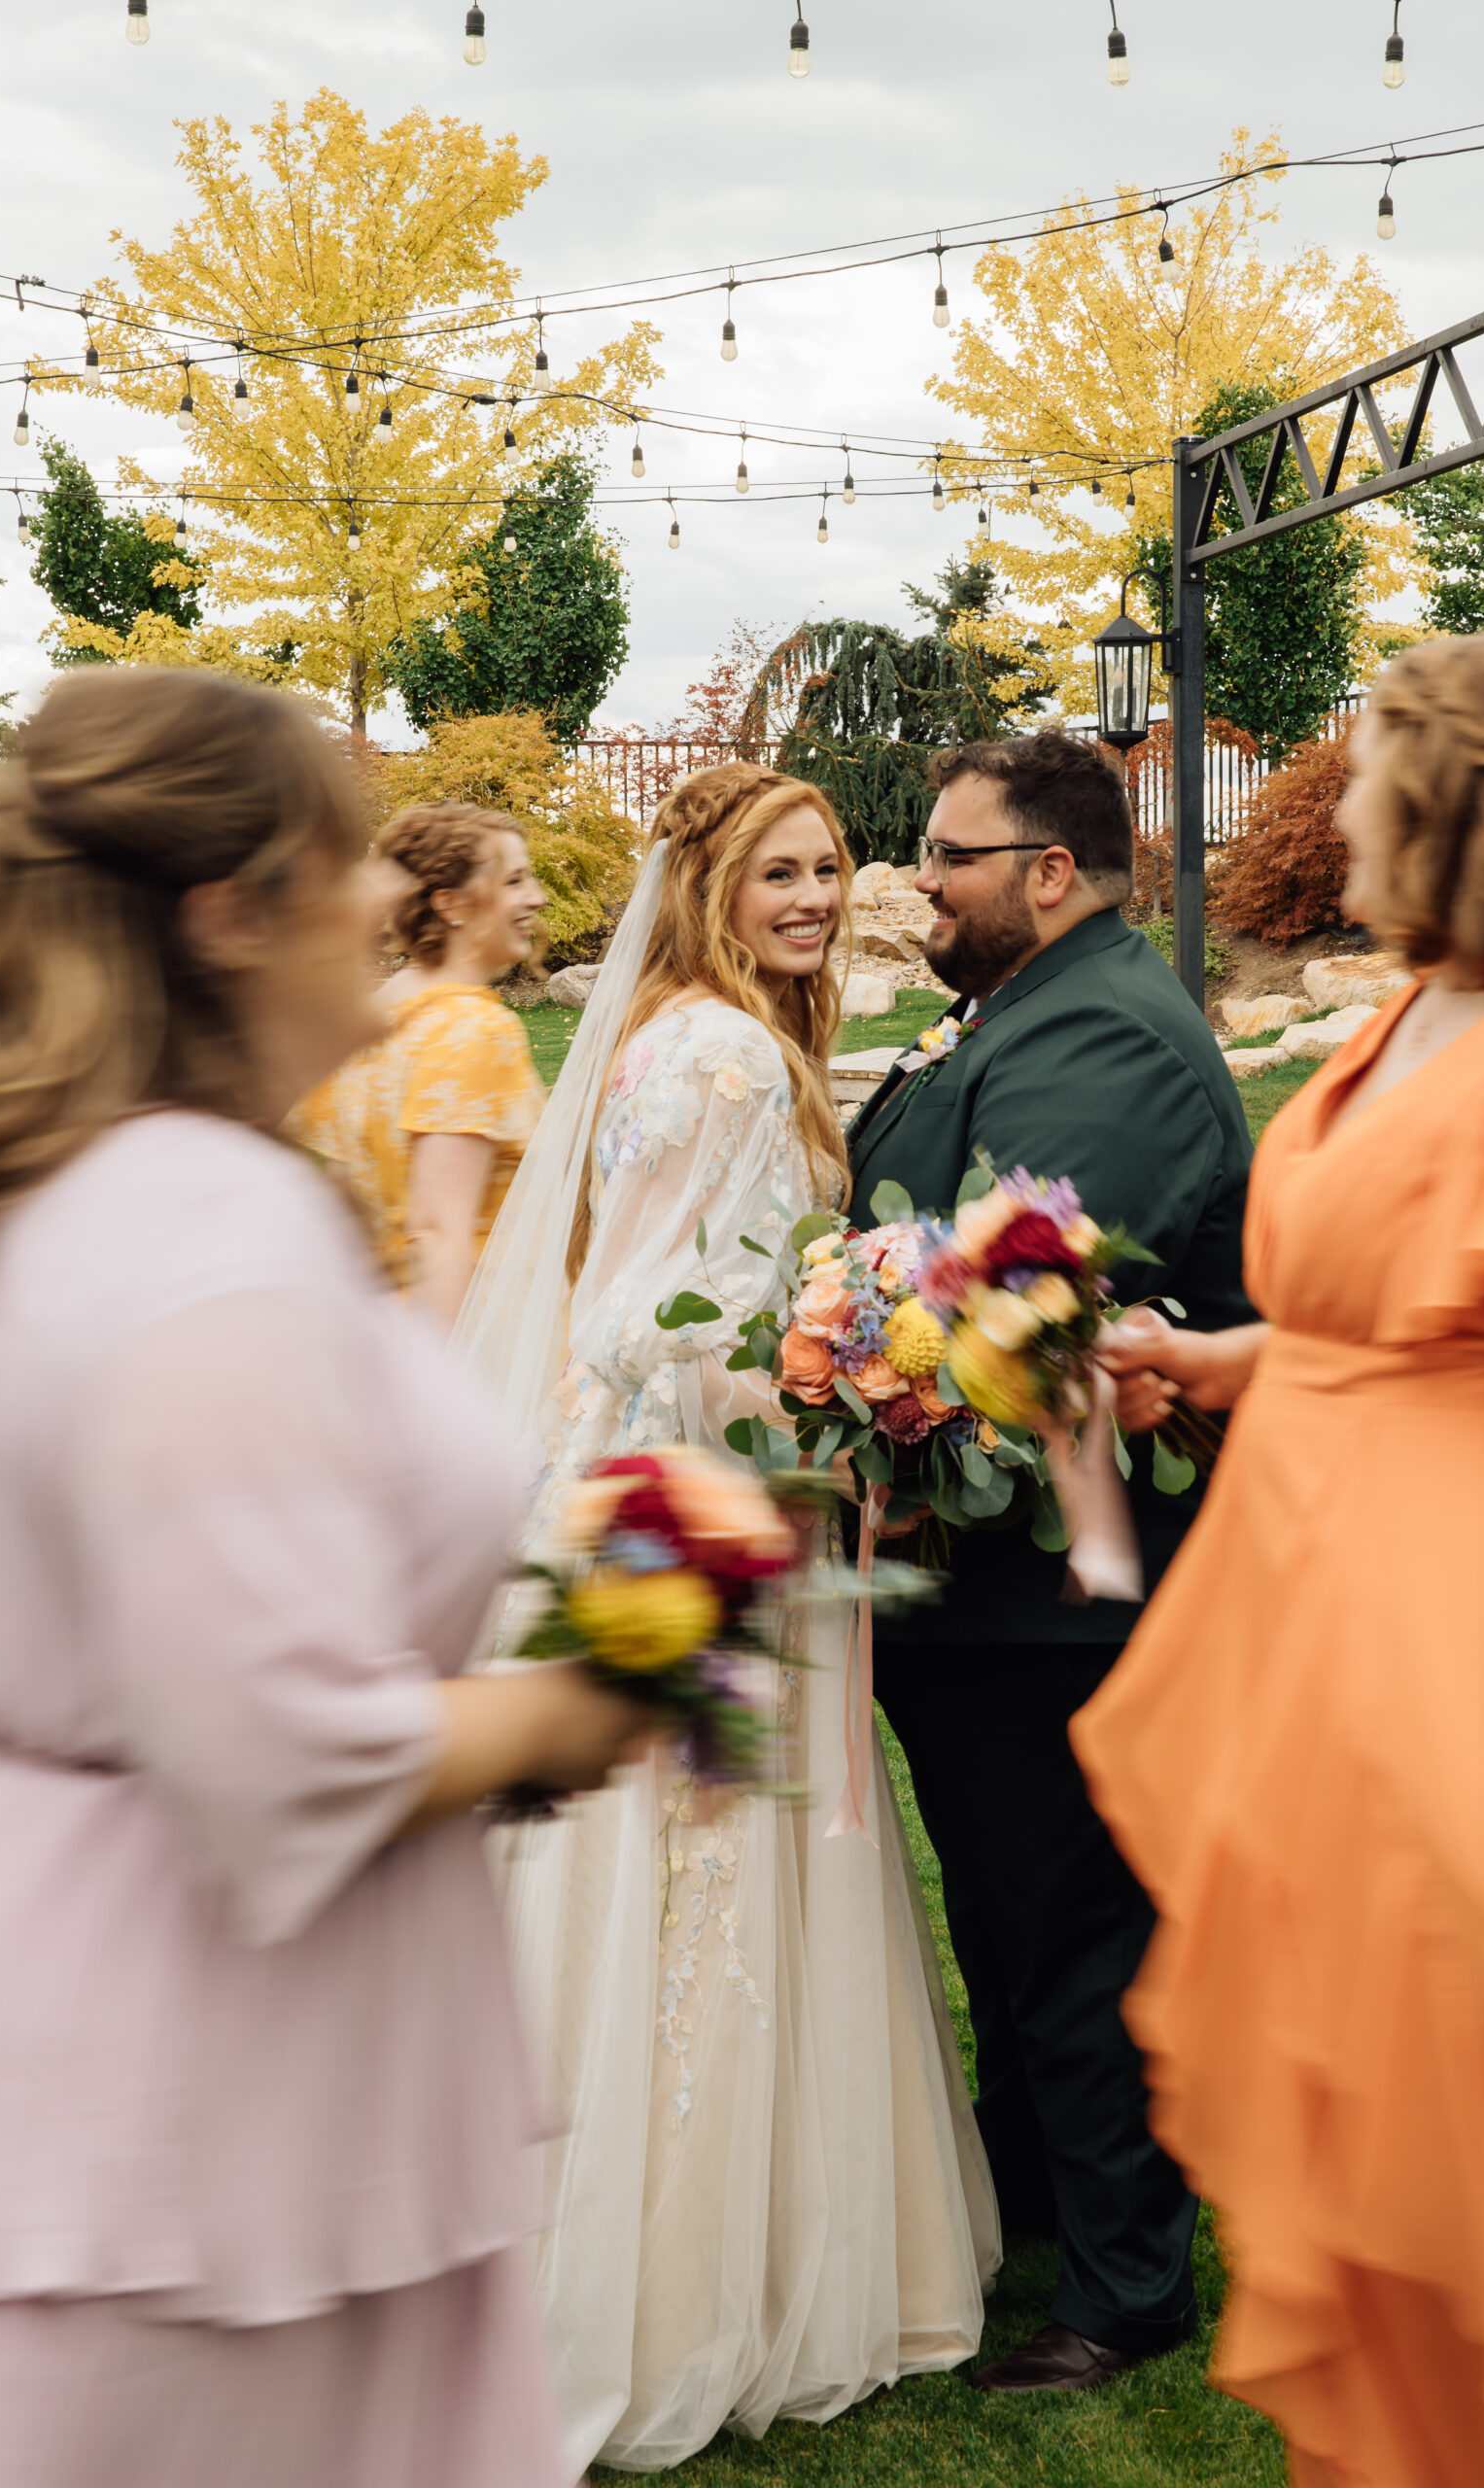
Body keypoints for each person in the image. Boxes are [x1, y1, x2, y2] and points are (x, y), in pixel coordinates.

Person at [0, 668, 643, 2488]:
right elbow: (271, 1735)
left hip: (187, 2069)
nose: (386, 897)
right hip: (200, 2123)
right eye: (346, 853)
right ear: (230, 910)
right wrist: (581, 1701)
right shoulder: (194, 1223)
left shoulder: (77, 1186)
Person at [1076, 626, 1484, 2487]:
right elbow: (1380, 1322)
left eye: (1375, 773)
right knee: (1368, 2115)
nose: (1339, 810)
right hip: (1308, 1615)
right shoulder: (1404, 1010)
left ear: (1468, 801)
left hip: (1464, 1648)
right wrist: (1214, 1361)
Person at [457, 762, 999, 2474]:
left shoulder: (678, 1035)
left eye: (829, 870)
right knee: (691, 1870)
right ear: (705, 888)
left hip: (642, 1487)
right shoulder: (722, 1052)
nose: (814, 899)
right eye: (778, 873)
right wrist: (820, 1390)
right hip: (694, 1501)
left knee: (642, 1864)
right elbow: (650, 1317)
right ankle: (670, 2296)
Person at [844, 729, 1255, 2396]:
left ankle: (1126, 2288)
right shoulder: (1022, 1003)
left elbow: (1013, 1277)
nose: (916, 880)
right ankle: (1031, 2213)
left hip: (1061, 1585)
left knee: (1075, 1932)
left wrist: (850, 1329)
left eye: (945, 854)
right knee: (1015, 1929)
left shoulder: (1109, 1035)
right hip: (982, 1576)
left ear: (1048, 873)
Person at [293, 802, 545, 1329]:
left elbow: (343, 1204)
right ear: (450, 903)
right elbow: (436, 1230)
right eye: (515, 880)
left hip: (379, 1327)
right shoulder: (472, 1028)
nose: (535, 898)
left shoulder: (374, 1023)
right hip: (472, 1327)